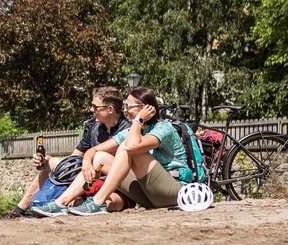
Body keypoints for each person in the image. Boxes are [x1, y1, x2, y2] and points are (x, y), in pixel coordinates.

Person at [32, 87, 190, 216]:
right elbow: (94, 150)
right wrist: (87, 163)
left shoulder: (164, 128)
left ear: (143, 108)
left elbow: (133, 146)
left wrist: (138, 120)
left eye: (129, 106)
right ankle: (61, 203)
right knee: (100, 157)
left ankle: (97, 202)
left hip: (174, 192)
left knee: (127, 148)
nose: (125, 110)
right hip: (149, 197)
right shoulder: (132, 131)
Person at [2, 86, 132, 218]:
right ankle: (19, 210)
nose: (91, 109)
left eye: (95, 107)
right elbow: (73, 159)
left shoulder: (127, 130)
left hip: (114, 185)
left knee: (107, 201)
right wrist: (46, 160)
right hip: (87, 179)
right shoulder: (94, 128)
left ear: (110, 109)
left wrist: (88, 164)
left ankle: (73, 202)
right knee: (50, 163)